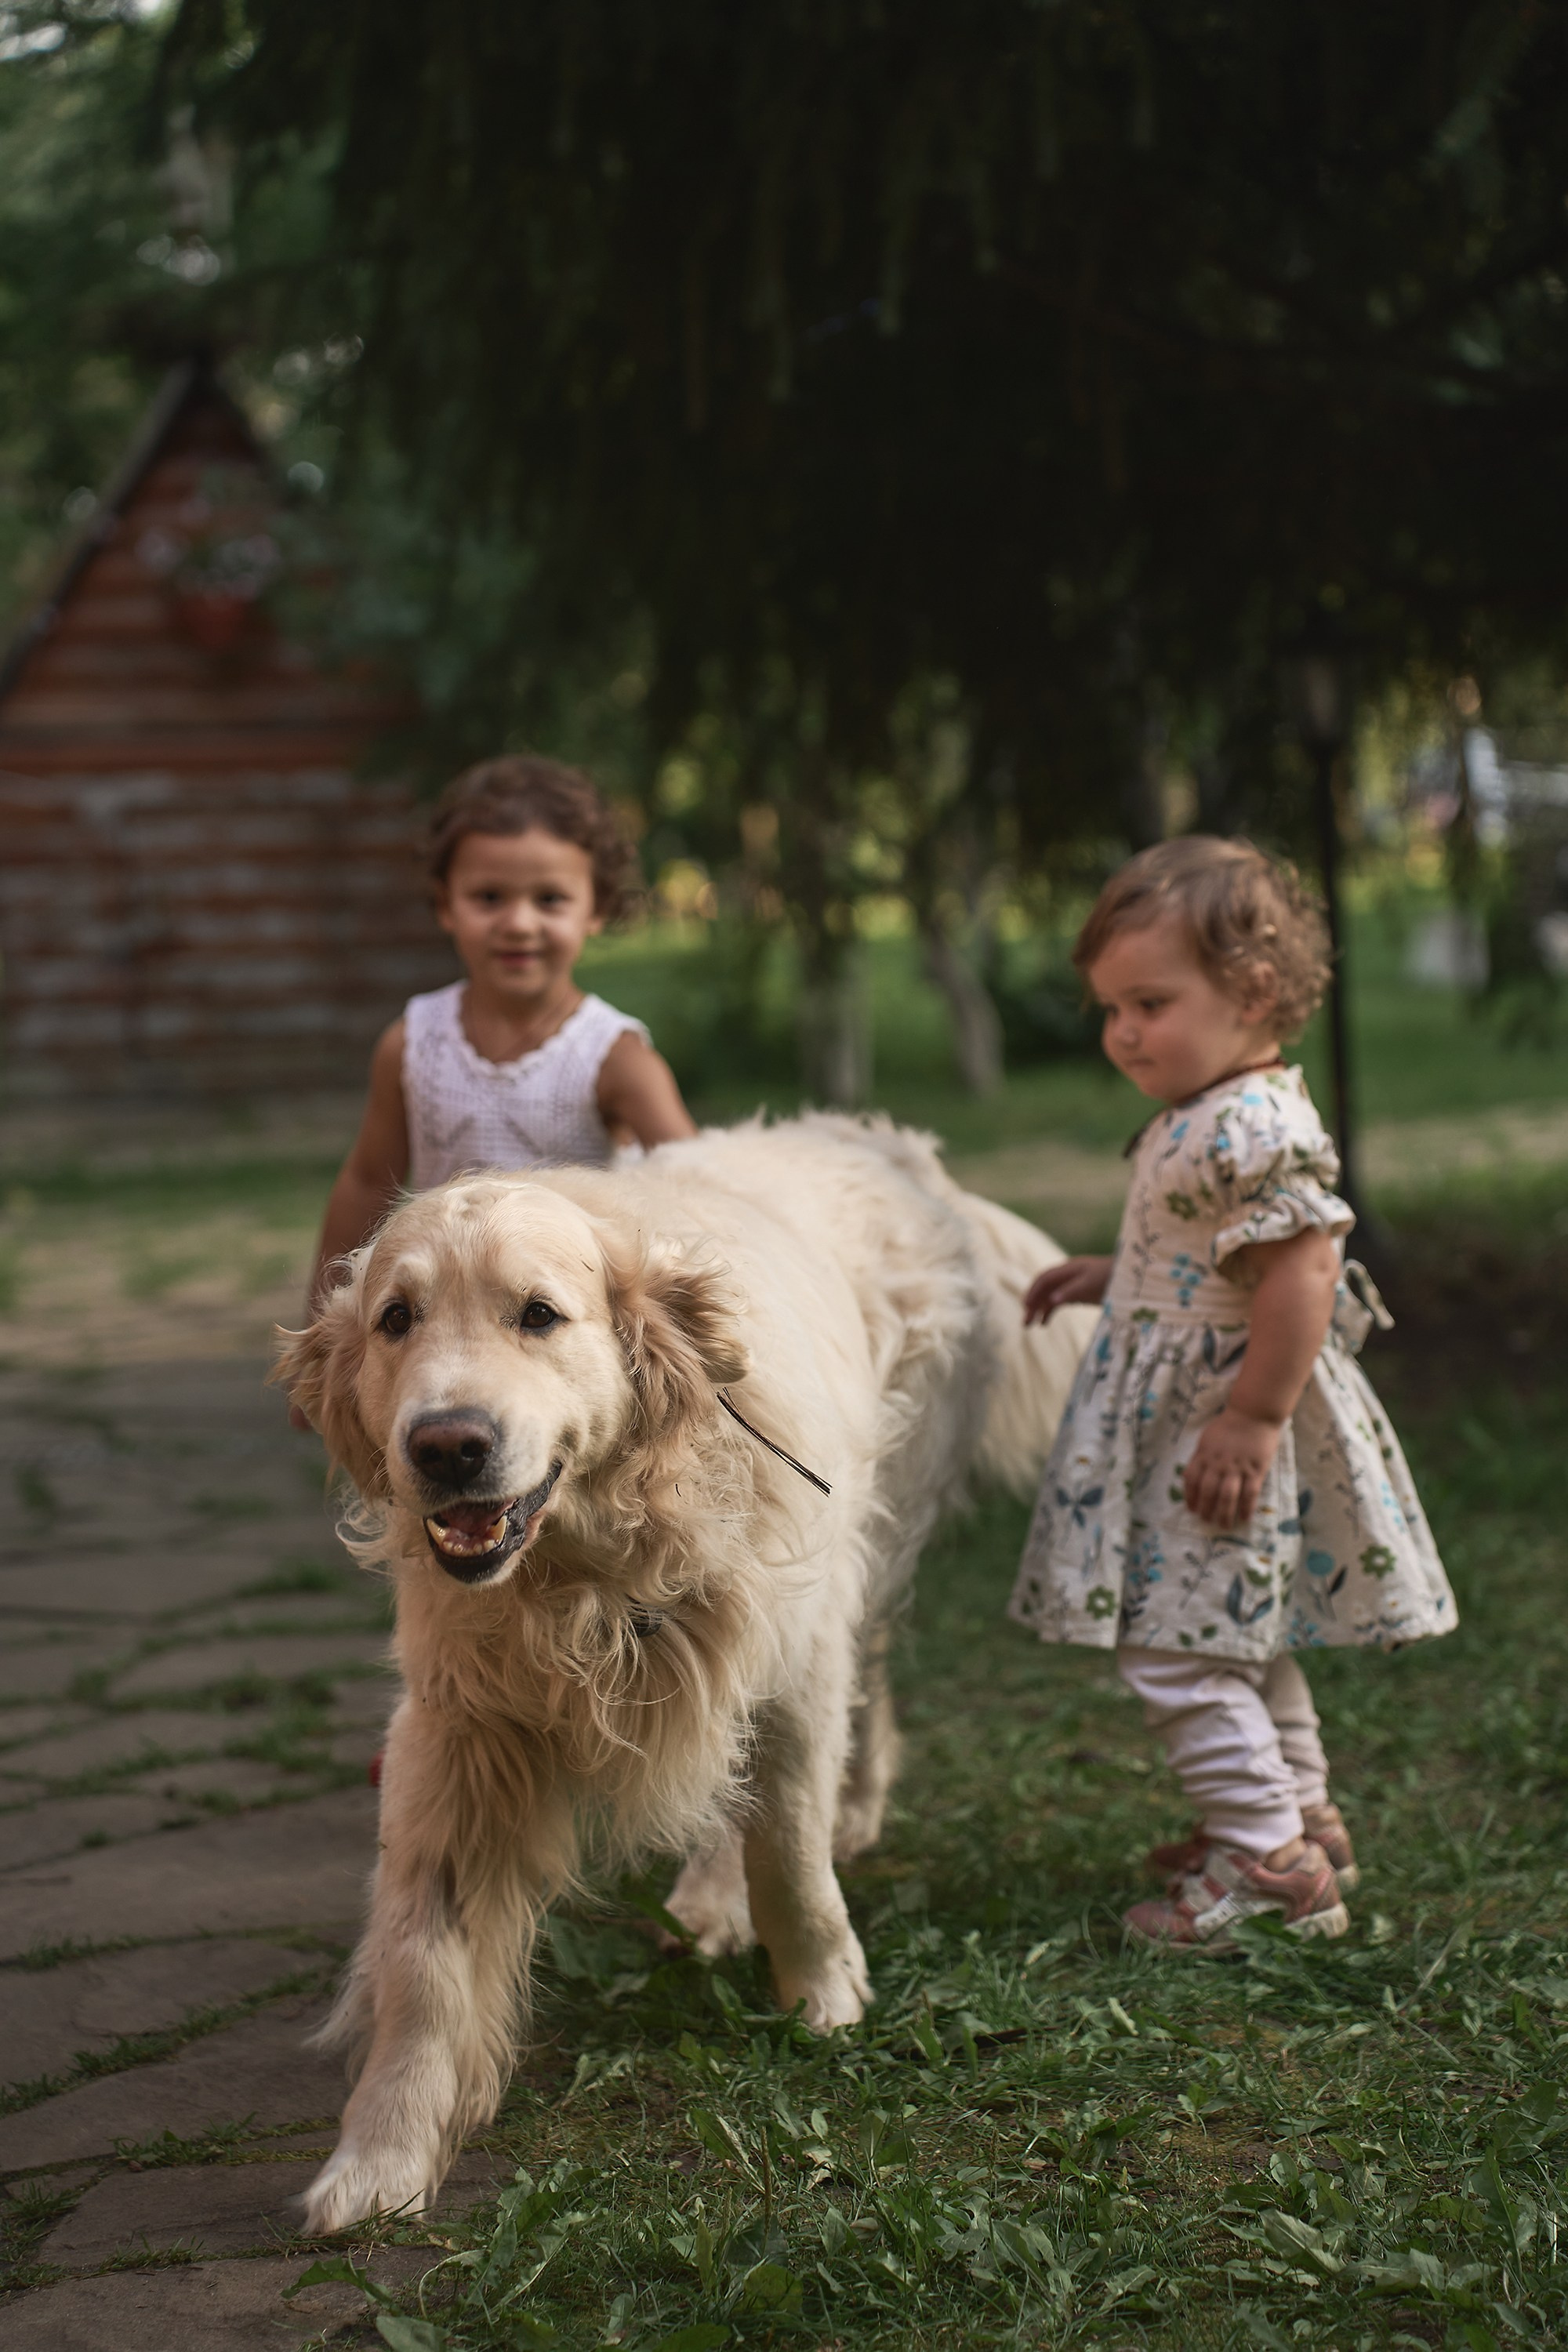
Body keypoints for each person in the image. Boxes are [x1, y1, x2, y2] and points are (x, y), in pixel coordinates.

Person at [1011, 837, 1455, 1951]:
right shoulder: (1211, 1109)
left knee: (1173, 1645)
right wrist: (1121, 1277)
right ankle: (1297, 1814)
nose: (1122, 1032)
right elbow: (1225, 1256)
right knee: (1235, 1633)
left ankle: (1267, 1865)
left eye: (1149, 1002)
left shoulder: (1253, 1124)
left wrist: (1251, 1419)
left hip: (1216, 1425)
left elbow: (1301, 1273)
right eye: (1110, 1008)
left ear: (1253, 992)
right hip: (1190, 1413)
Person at [302, 753, 697, 1316]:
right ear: (446, 904)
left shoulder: (613, 1058)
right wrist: (323, 1333)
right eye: (489, 897)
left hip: (556, 1315)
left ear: (597, 908)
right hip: (442, 1309)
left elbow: (696, 1183)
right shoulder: (413, 1045)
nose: (518, 922)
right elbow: (367, 1183)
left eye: (550, 899)